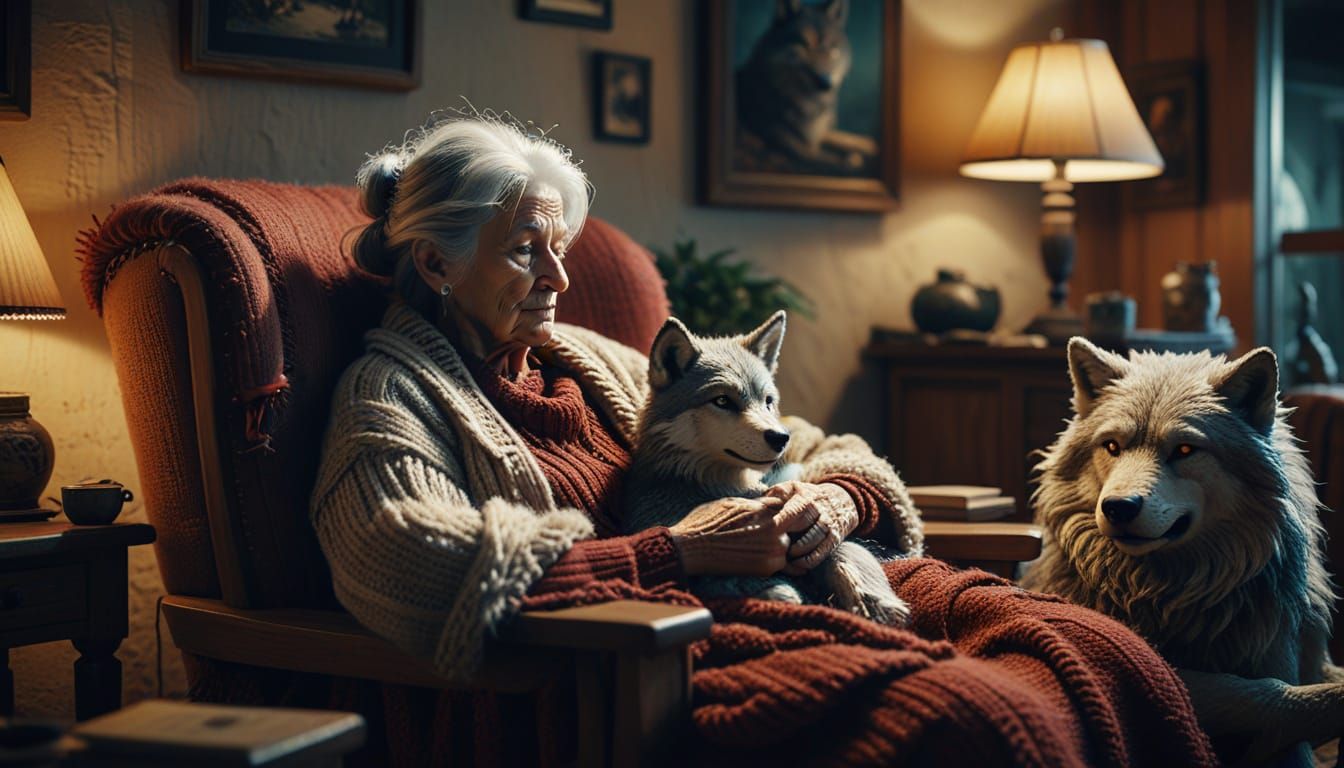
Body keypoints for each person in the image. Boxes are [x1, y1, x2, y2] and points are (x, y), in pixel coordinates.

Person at [311, 114, 1214, 765]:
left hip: (821, 572)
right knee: (974, 719)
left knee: (1096, 647)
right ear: (434, 261)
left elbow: (815, 443)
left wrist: (833, 497)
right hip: (656, 656)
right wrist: (674, 552)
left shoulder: (589, 357)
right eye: (524, 251)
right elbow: (419, 567)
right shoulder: (388, 397)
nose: (558, 275)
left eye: (561, 246)